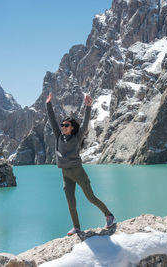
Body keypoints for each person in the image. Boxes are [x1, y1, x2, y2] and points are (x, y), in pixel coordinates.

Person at [45, 92, 115, 236]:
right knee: (71, 203)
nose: (63, 127)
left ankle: (109, 216)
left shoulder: (77, 137)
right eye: (62, 125)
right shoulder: (59, 136)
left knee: (91, 198)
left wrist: (88, 107)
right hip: (66, 174)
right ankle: (76, 227)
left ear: (72, 128)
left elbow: (84, 124)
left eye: (66, 125)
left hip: (78, 171)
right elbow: (52, 119)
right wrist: (48, 104)